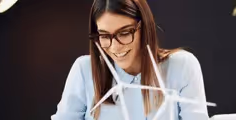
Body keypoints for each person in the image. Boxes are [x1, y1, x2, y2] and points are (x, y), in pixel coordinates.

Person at [50, 0, 209, 119]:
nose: (114, 47)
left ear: (144, 27)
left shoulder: (182, 66)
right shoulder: (84, 70)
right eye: (105, 36)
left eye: (124, 33)